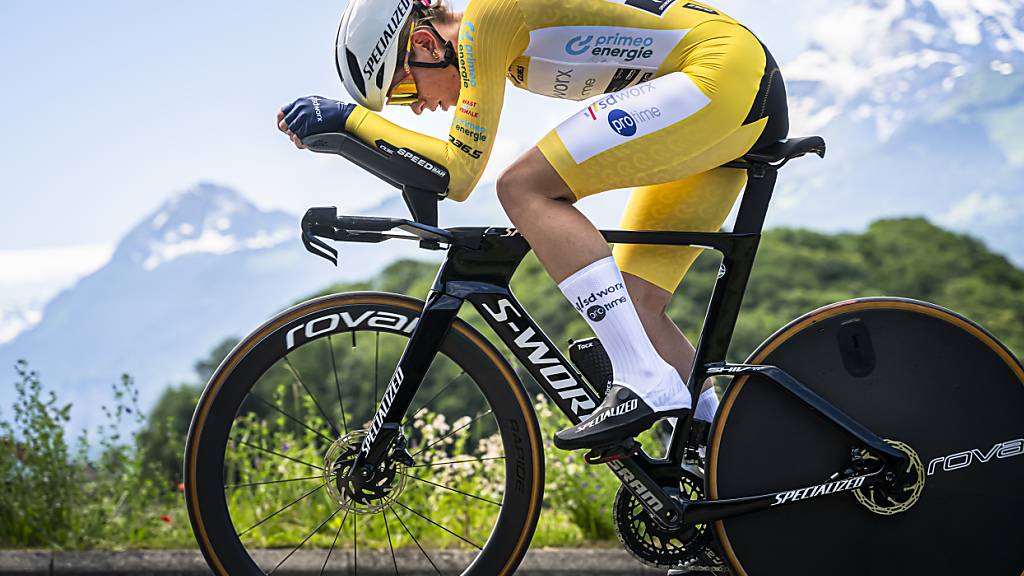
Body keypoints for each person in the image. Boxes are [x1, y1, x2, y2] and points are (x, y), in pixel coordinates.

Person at [278, 0, 788, 455]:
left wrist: (350, 121)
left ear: (426, 42)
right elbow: (433, 176)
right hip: (728, 88)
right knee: (634, 310)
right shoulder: (493, 37)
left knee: (523, 188)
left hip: (718, 75)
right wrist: (352, 142)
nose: (414, 106)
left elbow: (457, 172)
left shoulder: (487, 19)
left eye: (403, 86)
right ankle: (733, 459)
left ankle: (644, 378)